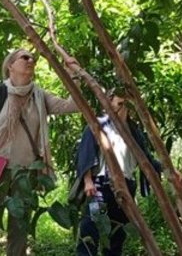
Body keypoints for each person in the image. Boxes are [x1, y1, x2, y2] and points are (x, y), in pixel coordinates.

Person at [0, 49, 80, 256]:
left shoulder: (40, 96)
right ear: (10, 65)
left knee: (20, 225)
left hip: (25, 172)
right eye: (24, 57)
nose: (30, 60)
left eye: (33, 58)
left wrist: (73, 74)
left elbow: (73, 105)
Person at [74, 88, 161, 256]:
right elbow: (86, 154)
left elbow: (146, 159)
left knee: (116, 235)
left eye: (126, 104)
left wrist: (164, 169)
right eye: (119, 103)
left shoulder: (133, 130)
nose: (122, 108)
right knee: (91, 229)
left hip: (126, 189)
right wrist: (88, 181)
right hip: (101, 186)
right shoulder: (98, 125)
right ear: (109, 104)